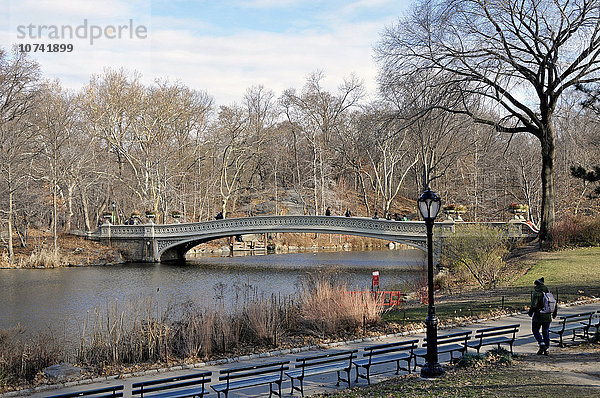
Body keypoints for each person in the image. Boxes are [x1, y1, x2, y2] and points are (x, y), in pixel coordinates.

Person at [528, 277, 557, 355]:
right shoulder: (548, 292)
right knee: (545, 331)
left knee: (535, 330)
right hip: (548, 316)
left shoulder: (537, 293)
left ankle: (542, 344)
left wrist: (530, 312)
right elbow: (554, 303)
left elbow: (534, 305)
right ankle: (546, 348)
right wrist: (554, 313)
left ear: (536, 284)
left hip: (538, 316)